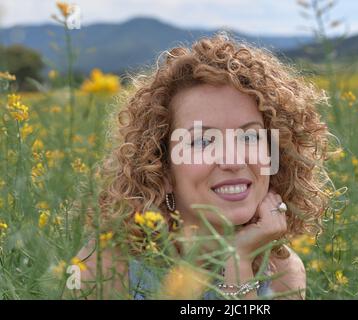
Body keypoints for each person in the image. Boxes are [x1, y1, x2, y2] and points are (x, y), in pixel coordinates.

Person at [75, 32, 333, 300]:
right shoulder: (104, 268)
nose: (233, 161)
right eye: (202, 142)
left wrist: (238, 262)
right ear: (160, 166)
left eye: (249, 137)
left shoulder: (282, 272)